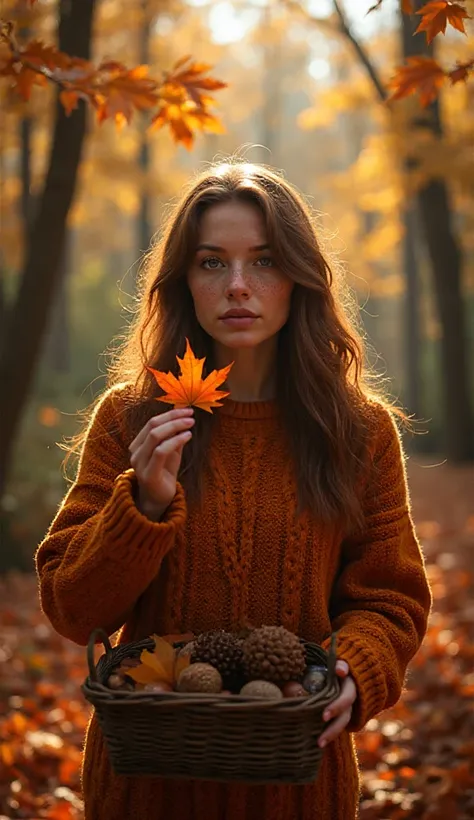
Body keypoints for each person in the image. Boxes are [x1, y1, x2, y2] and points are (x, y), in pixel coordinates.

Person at [35, 161, 432, 820]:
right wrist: (144, 505)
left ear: (299, 276)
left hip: (300, 787)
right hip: (146, 788)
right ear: (184, 281)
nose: (239, 286)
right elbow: (74, 611)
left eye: (265, 261)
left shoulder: (357, 430)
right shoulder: (132, 417)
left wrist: (353, 670)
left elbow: (391, 597)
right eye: (212, 263)